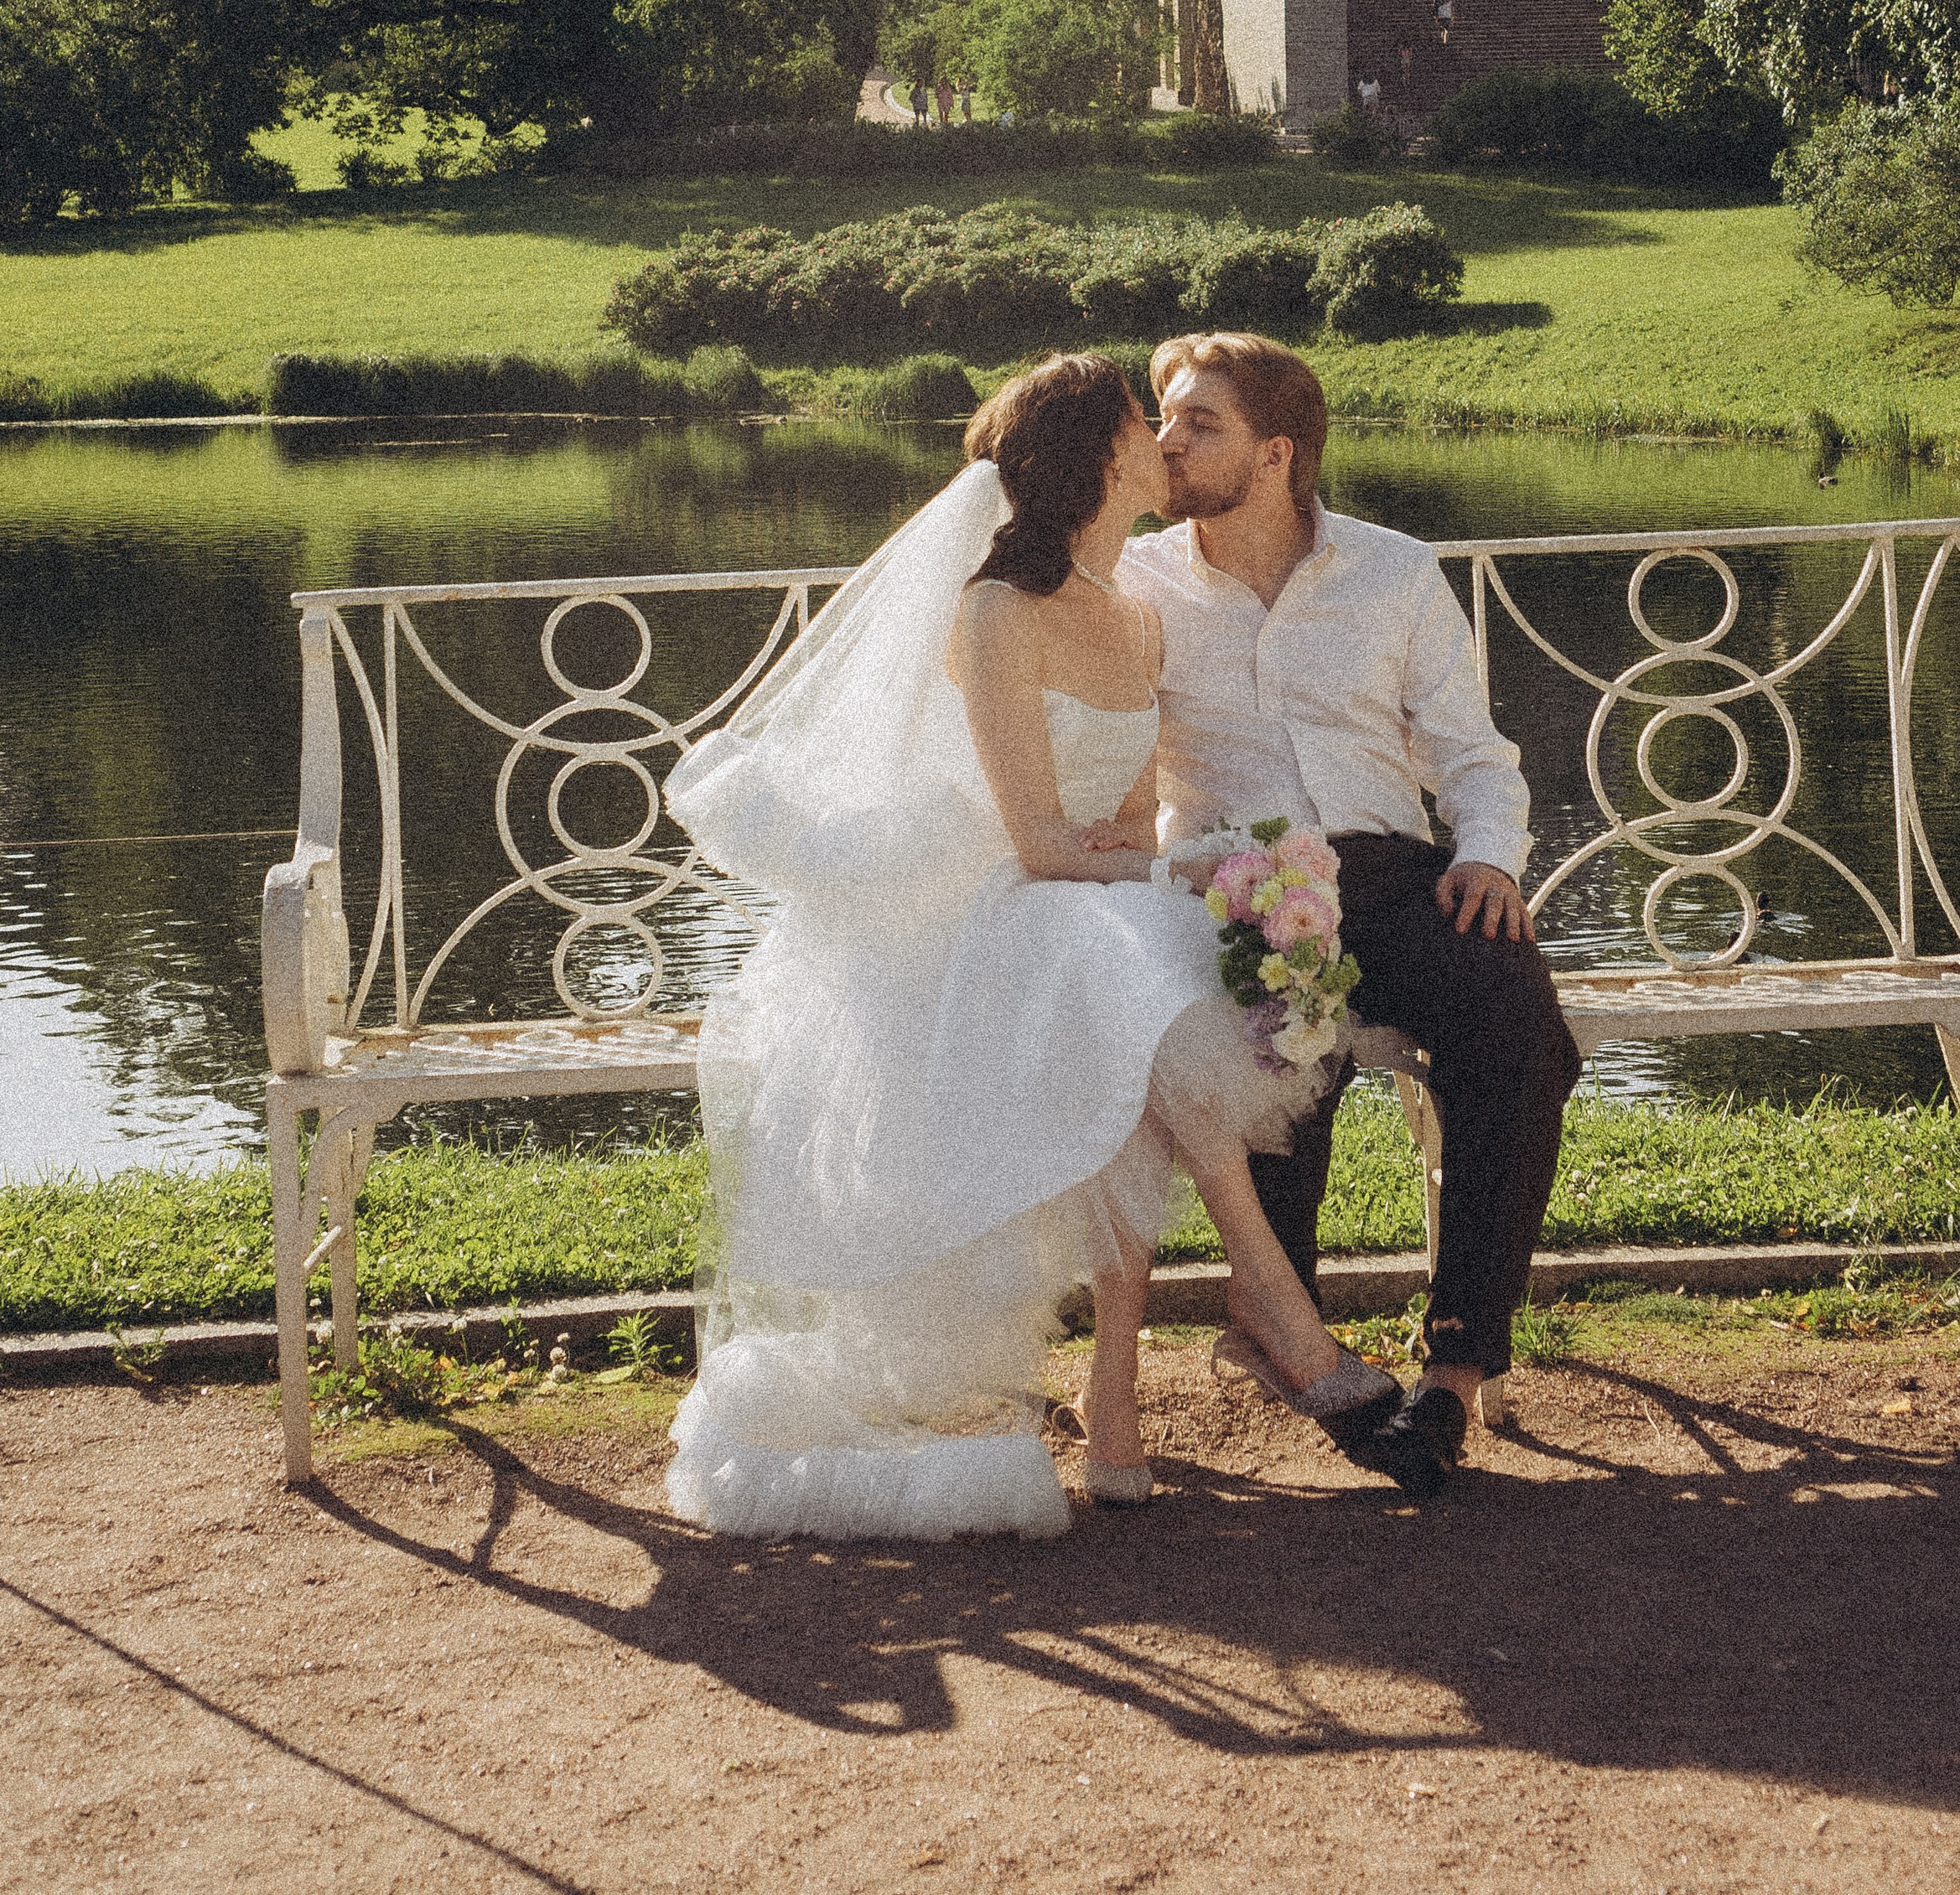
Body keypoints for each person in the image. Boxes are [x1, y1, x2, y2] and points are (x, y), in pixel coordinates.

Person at [661, 355, 1408, 1543]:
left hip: (1078, 915)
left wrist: (1172, 855)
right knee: (1129, 971)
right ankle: (1271, 1307)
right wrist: (1172, 869)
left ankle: (1125, 1397)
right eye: (1144, 431)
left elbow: (1124, 810)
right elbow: (1038, 841)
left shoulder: (1137, 616)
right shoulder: (995, 610)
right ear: (1102, 465)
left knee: (1133, 984)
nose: (1167, 446)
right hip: (973, 920)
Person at [1116, 334, 1584, 1499]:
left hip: (1393, 879)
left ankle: (1457, 1374)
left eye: (1198, 424)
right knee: (1282, 1038)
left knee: (1519, 1024)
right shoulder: (1139, 587)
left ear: (1277, 454)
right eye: (1166, 420)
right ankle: (1287, 1329)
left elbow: (1475, 756)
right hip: (1238, 891)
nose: (1165, 442)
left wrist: (1489, 861)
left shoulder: (1394, 572)